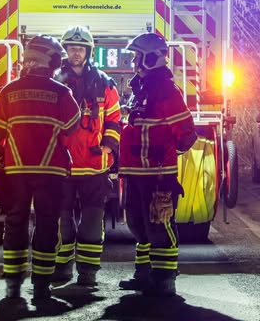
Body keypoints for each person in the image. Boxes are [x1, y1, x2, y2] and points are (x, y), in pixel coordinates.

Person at [0, 35, 80, 307]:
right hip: (51, 173)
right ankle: (41, 286)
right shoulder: (62, 94)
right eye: (56, 60)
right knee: (47, 225)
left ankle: (13, 286)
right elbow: (73, 127)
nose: (58, 65)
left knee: (15, 224)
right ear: (47, 60)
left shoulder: (8, 92)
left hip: (15, 172)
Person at [117, 32, 198, 297]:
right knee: (138, 224)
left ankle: (164, 280)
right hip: (135, 171)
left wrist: (165, 157)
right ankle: (144, 275)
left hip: (157, 173)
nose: (134, 63)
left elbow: (186, 132)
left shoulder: (165, 91)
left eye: (137, 57)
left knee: (159, 223)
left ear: (150, 59)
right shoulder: (142, 88)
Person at [52, 25, 122, 288]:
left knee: (92, 222)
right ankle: (62, 268)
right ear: (65, 51)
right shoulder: (55, 82)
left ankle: (88, 272)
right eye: (71, 48)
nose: (76, 53)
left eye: (80, 49)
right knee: (62, 221)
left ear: (88, 52)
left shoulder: (105, 83)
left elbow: (115, 118)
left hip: (94, 165)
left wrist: (108, 145)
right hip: (63, 166)